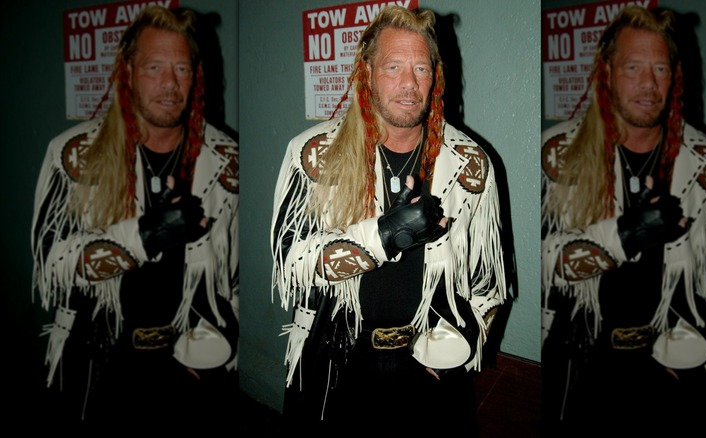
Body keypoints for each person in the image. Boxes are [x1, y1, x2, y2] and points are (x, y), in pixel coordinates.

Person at [271, 5, 507, 436]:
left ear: (435, 75)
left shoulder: (470, 163)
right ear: (367, 72)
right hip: (334, 363)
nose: (408, 83)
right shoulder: (313, 154)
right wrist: (385, 235)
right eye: (393, 66)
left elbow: (489, 283)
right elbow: (290, 263)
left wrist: (463, 347)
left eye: (421, 67)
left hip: (428, 368)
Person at [31, 6, 239, 432]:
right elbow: (49, 267)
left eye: (181, 67)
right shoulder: (74, 154)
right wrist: (143, 236)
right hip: (94, 367)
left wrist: (225, 351)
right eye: (154, 67)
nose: (169, 83)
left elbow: (238, 278)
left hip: (192, 371)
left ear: (195, 75)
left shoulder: (227, 158)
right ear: (127, 72)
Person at [540, 5, 706, 435]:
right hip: (578, 370)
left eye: (660, 68)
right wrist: (624, 235)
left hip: (671, 372)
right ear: (608, 72)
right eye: (633, 67)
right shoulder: (557, 153)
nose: (649, 84)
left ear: (675, 76)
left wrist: (704, 358)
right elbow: (535, 263)